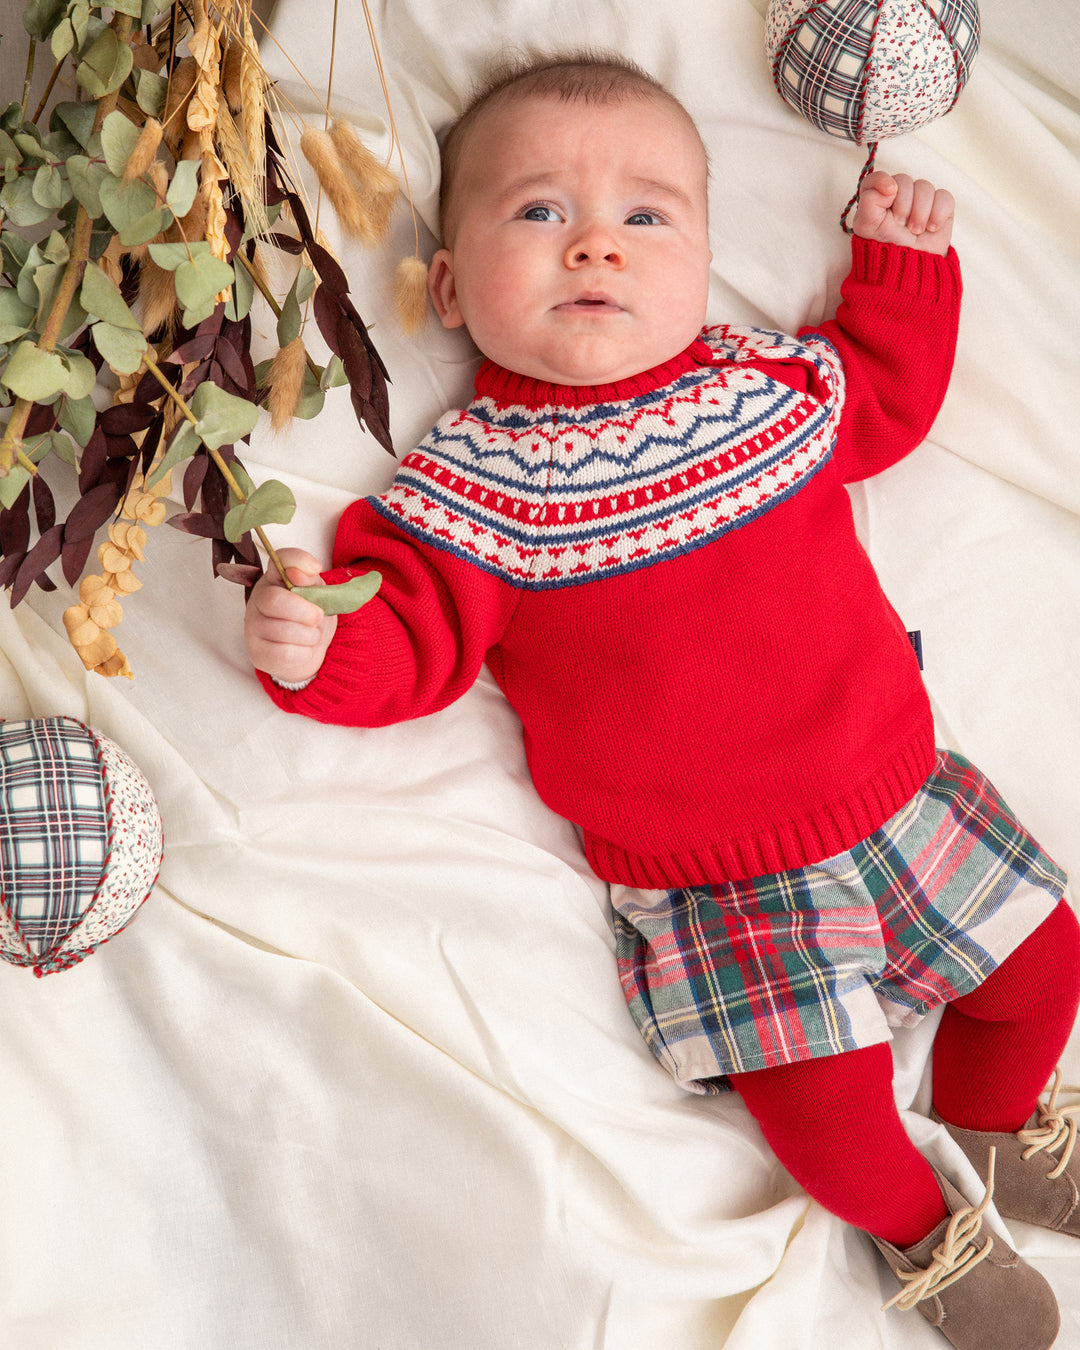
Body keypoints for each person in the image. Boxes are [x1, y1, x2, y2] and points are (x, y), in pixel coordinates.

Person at [244, 52, 1079, 1348]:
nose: (596, 244)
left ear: (702, 256)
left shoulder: (766, 387)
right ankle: (925, 1228)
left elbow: (886, 401)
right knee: (828, 1101)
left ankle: (997, 1116)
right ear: (450, 289)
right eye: (538, 211)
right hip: (719, 880)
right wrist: (316, 644)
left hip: (896, 786)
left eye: (647, 215)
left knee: (1043, 959)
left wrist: (900, 272)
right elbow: (413, 640)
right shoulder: (478, 484)